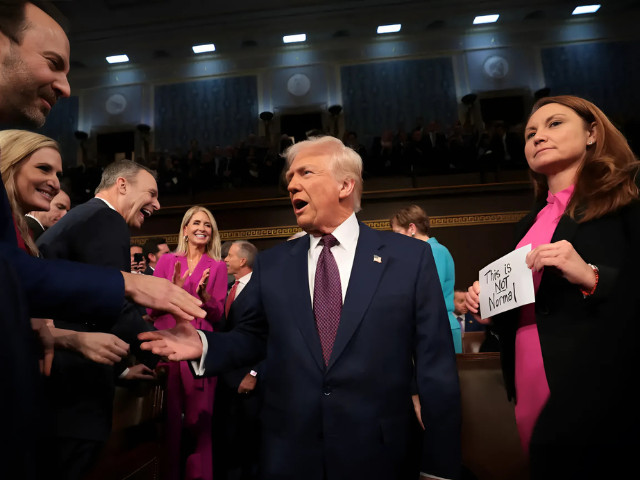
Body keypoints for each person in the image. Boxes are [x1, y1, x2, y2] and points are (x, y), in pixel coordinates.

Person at [139, 136, 461, 480]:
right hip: (288, 455)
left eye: (305, 173)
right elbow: (252, 337)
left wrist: (439, 468)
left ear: (345, 184)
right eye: (290, 177)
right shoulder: (274, 264)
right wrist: (203, 346)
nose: (292, 183)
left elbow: (435, 365)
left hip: (380, 455)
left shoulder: (409, 258)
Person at [465, 95, 640, 478]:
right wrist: (490, 309)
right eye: (530, 133)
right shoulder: (526, 224)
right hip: (527, 377)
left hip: (600, 378)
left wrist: (590, 275)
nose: (538, 137)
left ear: (592, 133)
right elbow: (533, 307)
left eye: (554, 124)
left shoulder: (626, 200)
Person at [36, 159, 164, 480]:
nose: (157, 204)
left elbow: (78, 302)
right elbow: (109, 299)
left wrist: (121, 370)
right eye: (151, 193)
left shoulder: (87, 217)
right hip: (73, 390)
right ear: (122, 185)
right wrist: (160, 348)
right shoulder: (106, 219)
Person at [148, 206, 227, 480]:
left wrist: (205, 296)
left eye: (207, 224)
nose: (202, 228)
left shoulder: (217, 266)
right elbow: (151, 311)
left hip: (199, 348)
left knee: (199, 421)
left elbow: (217, 315)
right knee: (168, 421)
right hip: (167, 344)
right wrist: (172, 292)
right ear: (185, 229)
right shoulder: (166, 261)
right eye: (196, 223)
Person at [214, 240, 263, 480]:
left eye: (229, 256)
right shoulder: (230, 288)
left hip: (248, 380)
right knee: (229, 440)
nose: (224, 260)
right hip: (227, 378)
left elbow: (270, 336)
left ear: (242, 260)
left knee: (249, 444)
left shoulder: (261, 290)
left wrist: (255, 373)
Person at [390, 205, 461, 353]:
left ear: (411, 228)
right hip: (429, 327)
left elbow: (430, 292)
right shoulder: (423, 252)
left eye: (397, 233)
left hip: (439, 327)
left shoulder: (434, 251)